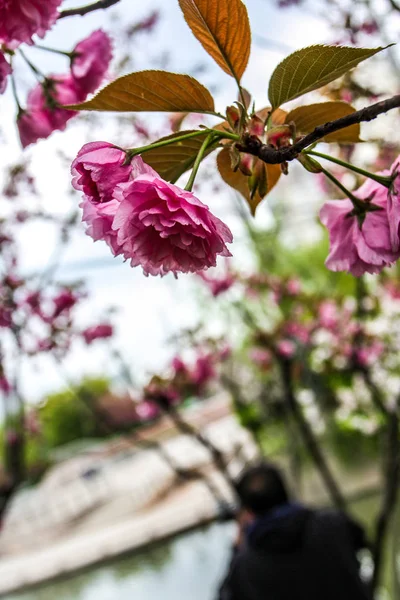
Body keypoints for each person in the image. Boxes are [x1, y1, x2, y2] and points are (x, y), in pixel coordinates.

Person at [217, 461, 371, 600]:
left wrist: (237, 546)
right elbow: (363, 544)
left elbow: (226, 595)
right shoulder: (332, 523)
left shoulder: (245, 565)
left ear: (249, 511)